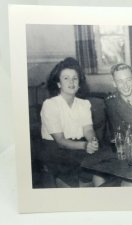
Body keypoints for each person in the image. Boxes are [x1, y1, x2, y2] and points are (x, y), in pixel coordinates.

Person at [39, 57, 104, 187]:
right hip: (56, 151)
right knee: (80, 181)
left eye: (75, 78)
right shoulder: (50, 105)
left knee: (101, 172)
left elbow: (88, 129)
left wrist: (92, 141)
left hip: (79, 146)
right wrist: (86, 146)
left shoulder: (84, 104)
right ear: (58, 83)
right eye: (66, 78)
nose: (71, 82)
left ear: (79, 83)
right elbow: (60, 141)